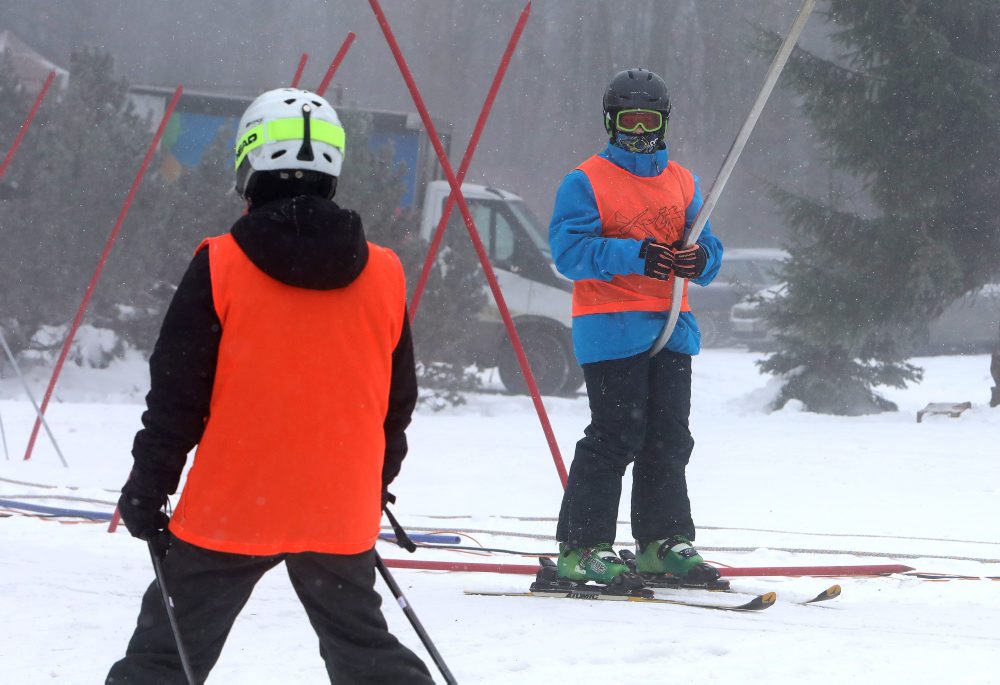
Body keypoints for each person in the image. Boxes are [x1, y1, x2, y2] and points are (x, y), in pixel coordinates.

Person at [106, 88, 433, 684]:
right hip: (335, 506)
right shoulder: (384, 272)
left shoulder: (220, 263)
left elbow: (177, 396)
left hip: (232, 504)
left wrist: (149, 484)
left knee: (165, 656)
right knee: (364, 650)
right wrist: (373, 480)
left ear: (248, 163)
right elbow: (396, 401)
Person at [548, 68, 725, 590]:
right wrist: (635, 255)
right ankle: (583, 547)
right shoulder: (585, 180)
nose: (640, 131)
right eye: (630, 120)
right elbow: (568, 252)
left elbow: (710, 245)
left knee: (670, 438)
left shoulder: (683, 180)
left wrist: (702, 261)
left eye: (649, 120)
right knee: (616, 434)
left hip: (673, 325)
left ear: (664, 121)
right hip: (611, 326)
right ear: (611, 121)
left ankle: (661, 542)